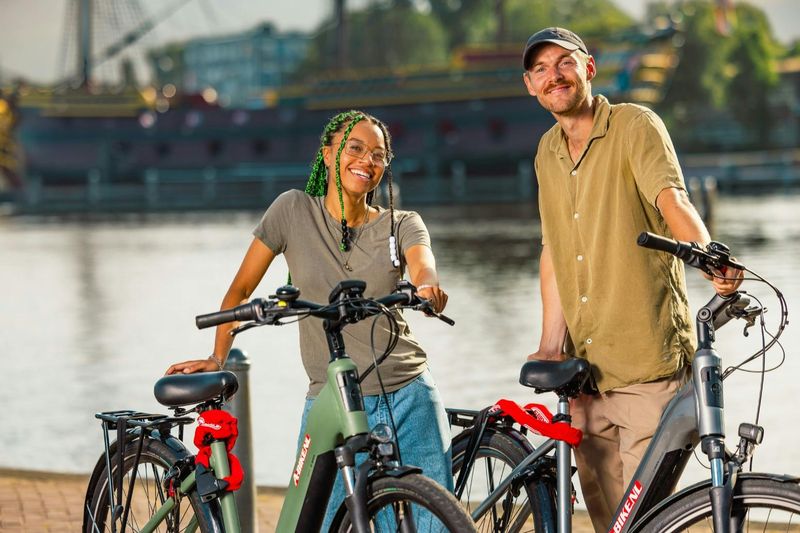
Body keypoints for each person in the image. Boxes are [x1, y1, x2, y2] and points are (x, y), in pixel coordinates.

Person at [166, 109, 453, 529]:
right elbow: (241, 291)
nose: (366, 161)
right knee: (315, 523)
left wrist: (428, 286)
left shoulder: (401, 224)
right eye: (355, 148)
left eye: (378, 154)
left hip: (409, 395)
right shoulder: (293, 210)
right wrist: (218, 356)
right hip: (330, 401)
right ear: (328, 154)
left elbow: (422, 264)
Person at [520, 27, 742, 531]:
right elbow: (554, 248)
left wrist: (711, 258)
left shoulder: (634, 125)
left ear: (589, 68)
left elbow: (672, 199)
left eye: (564, 63)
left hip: (647, 365)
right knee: (608, 521)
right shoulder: (545, 152)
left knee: (646, 521)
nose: (554, 75)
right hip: (584, 375)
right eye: (540, 69)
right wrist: (550, 344)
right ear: (530, 85)